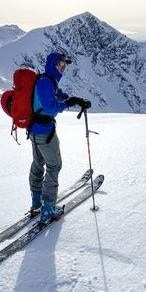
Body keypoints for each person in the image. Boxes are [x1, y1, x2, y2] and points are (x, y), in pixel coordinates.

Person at [28, 52, 92, 222]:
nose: (63, 67)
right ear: (52, 65)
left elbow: (58, 96)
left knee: (38, 163)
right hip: (44, 132)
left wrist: (74, 100)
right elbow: (50, 107)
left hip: (35, 130)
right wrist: (66, 104)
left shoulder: (48, 81)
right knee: (54, 166)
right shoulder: (45, 83)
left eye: (65, 64)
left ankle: (36, 203)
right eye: (60, 64)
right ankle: (48, 208)